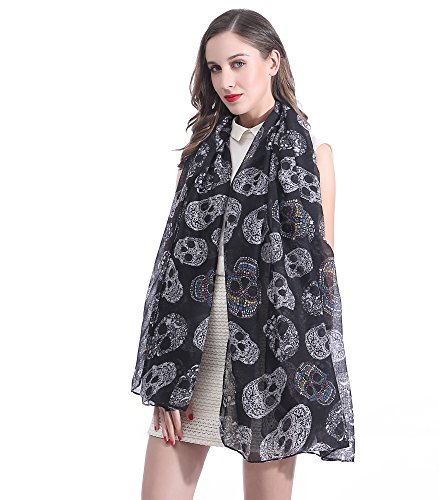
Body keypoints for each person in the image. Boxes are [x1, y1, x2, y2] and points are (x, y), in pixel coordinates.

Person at [135, 8, 355, 500]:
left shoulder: (313, 154)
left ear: (272, 62)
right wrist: (164, 373)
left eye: (238, 63)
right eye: (215, 68)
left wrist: (298, 379)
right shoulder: (198, 156)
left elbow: (318, 281)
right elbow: (169, 269)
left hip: (272, 353)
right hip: (190, 353)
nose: (226, 81)